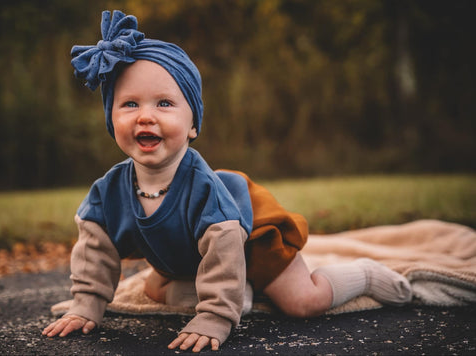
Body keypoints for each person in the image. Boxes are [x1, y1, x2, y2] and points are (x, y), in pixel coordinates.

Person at [42, 10, 412, 353]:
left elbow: (224, 247)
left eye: (165, 104)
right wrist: (86, 307)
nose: (146, 117)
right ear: (111, 121)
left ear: (192, 125)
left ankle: (364, 275)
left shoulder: (204, 189)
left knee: (301, 302)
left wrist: (215, 316)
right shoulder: (107, 193)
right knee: (155, 287)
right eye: (130, 104)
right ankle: (240, 292)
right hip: (192, 256)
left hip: (249, 231)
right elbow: (95, 251)